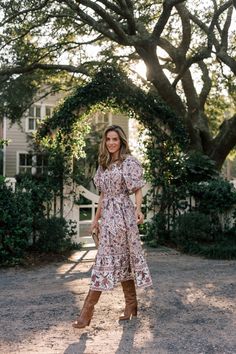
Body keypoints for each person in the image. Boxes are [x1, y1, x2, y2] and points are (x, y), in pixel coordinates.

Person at [72, 125, 152, 328]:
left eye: (115, 139)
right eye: (108, 139)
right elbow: (103, 195)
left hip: (124, 217)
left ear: (121, 141)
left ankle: (91, 313)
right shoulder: (104, 164)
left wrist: (138, 209)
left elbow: (137, 189)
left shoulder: (129, 162)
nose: (111, 143)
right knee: (105, 260)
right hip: (108, 218)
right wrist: (95, 220)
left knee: (120, 259)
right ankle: (113, 308)